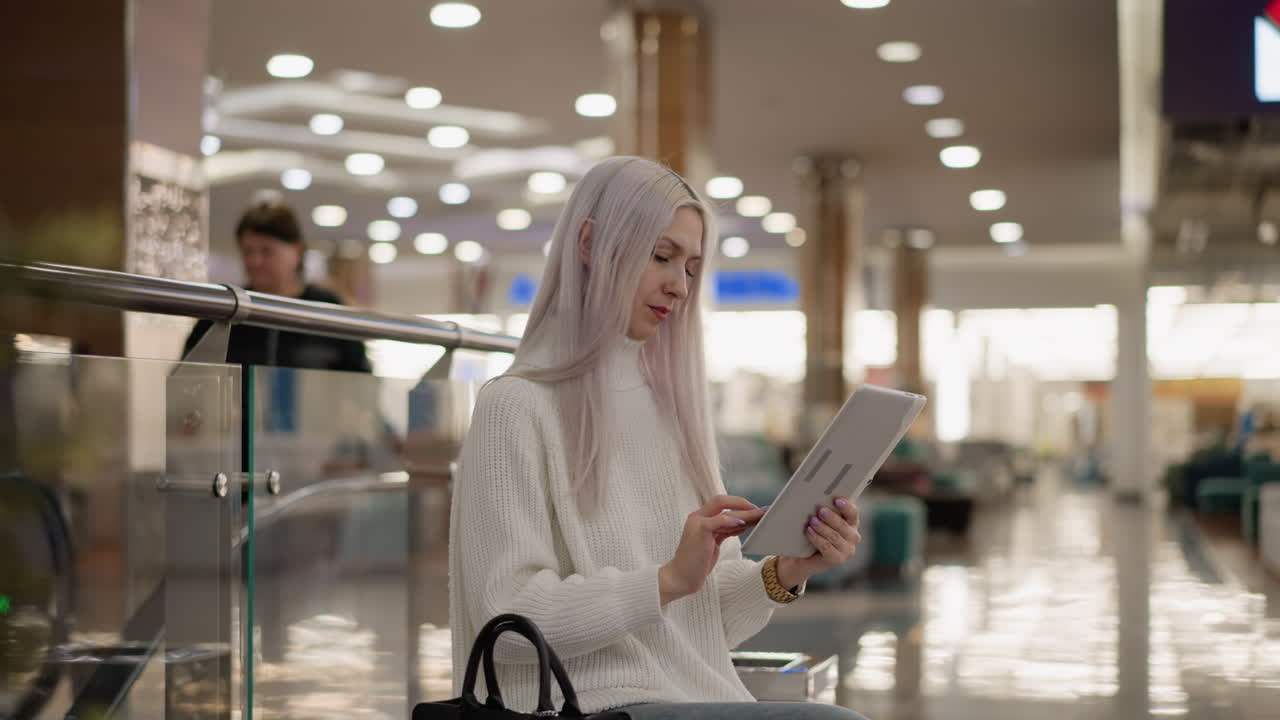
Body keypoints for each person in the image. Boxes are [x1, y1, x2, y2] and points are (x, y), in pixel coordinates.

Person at [450, 157, 866, 720]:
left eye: (692, 267)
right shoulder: (515, 406)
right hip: (585, 706)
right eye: (661, 255)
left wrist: (788, 569)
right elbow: (507, 618)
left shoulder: (671, 411)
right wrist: (666, 579)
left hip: (682, 696)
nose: (679, 285)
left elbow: (709, 624)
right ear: (591, 244)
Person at [183, 201, 370, 372]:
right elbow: (186, 379)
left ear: (296, 251)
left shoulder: (325, 308)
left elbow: (361, 385)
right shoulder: (227, 309)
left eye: (267, 252)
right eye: (248, 251)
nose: (255, 261)